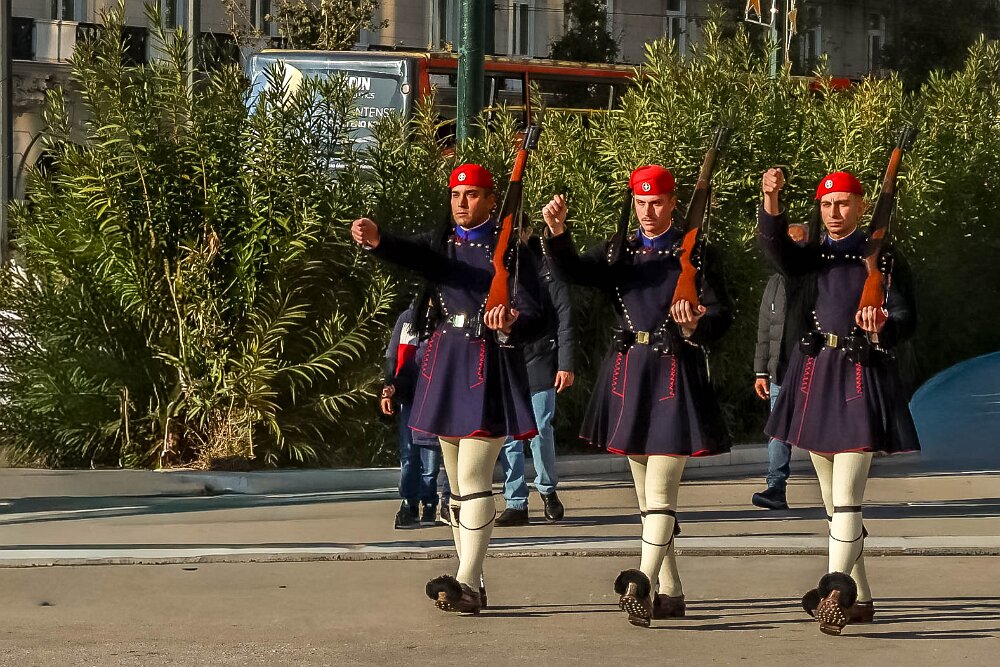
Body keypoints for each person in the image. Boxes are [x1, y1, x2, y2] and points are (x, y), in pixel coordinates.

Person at [541, 165, 733, 628]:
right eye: (641, 202)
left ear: (673, 203)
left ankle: (642, 582)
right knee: (647, 498)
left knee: (661, 491)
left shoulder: (696, 252)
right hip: (629, 372)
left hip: (674, 372)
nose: (648, 211)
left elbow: (723, 313)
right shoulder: (619, 250)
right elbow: (573, 272)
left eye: (657, 202)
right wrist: (558, 234)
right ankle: (672, 591)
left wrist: (696, 324)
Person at [351, 163, 542, 615]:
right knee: (456, 488)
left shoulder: (513, 249)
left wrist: (512, 322)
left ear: (492, 201)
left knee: (474, 480)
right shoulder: (443, 242)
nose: (461, 202)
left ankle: (466, 581)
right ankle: (470, 578)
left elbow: (540, 314)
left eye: (472, 195)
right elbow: (411, 253)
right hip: (446, 360)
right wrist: (378, 239)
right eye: (456, 195)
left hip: (488, 362)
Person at [759, 168, 919, 636]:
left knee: (847, 498)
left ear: (861, 206)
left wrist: (883, 323)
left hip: (860, 375)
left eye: (844, 203)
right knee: (833, 503)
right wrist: (771, 201)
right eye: (827, 204)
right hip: (814, 376)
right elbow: (775, 248)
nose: (834, 212)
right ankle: (862, 598)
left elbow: (907, 317)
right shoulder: (811, 256)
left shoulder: (883, 257)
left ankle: (833, 592)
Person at [496, 224, 575, 526]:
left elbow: (565, 318)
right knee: (509, 436)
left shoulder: (546, 267)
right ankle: (516, 501)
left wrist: (565, 364)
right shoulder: (497, 266)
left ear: (529, 231)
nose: (514, 236)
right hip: (507, 358)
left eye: (519, 229)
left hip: (541, 358)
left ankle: (547, 490)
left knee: (541, 429)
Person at [751, 223, 808, 511]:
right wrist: (761, 371)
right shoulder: (774, 283)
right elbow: (765, 330)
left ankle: (839, 490)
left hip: (812, 370)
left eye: (799, 242)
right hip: (780, 371)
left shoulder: (815, 278)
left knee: (823, 430)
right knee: (777, 430)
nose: (793, 247)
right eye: (789, 242)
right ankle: (776, 487)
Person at [382, 302, 447, 528]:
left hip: (435, 395)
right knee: (409, 454)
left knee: (431, 455)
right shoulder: (407, 318)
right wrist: (388, 387)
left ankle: (430, 504)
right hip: (408, 393)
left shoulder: (446, 318)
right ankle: (409, 503)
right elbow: (393, 356)